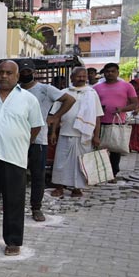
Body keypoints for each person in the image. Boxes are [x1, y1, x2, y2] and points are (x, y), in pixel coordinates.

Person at [0, 60, 44, 257]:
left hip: (14, 157)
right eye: (1, 72)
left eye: (9, 73)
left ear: (17, 76)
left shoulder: (28, 99)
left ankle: (13, 242)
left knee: (14, 201)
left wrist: (19, 142)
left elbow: (36, 126)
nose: (4, 76)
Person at [17, 62, 75, 221]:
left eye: (28, 71)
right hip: (16, 140)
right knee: (16, 175)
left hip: (38, 140)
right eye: (22, 71)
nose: (25, 74)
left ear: (34, 72)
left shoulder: (45, 89)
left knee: (37, 175)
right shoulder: (15, 90)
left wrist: (55, 117)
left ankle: (36, 208)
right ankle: (15, 206)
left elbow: (69, 99)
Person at [51, 67, 103, 197]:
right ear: (71, 78)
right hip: (65, 133)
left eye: (83, 76)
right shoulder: (63, 92)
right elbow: (55, 115)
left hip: (84, 135)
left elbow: (97, 116)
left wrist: (96, 136)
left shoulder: (92, 93)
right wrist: (53, 132)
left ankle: (77, 189)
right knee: (60, 163)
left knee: (80, 164)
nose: (81, 78)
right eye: (78, 76)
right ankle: (59, 187)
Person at [94, 62, 138, 176]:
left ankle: (113, 173)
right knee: (99, 150)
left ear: (117, 72)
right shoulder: (96, 88)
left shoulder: (127, 86)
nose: (110, 74)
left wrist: (122, 109)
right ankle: (101, 173)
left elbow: (135, 104)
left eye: (113, 71)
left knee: (115, 150)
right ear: (104, 73)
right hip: (99, 123)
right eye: (107, 72)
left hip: (118, 123)